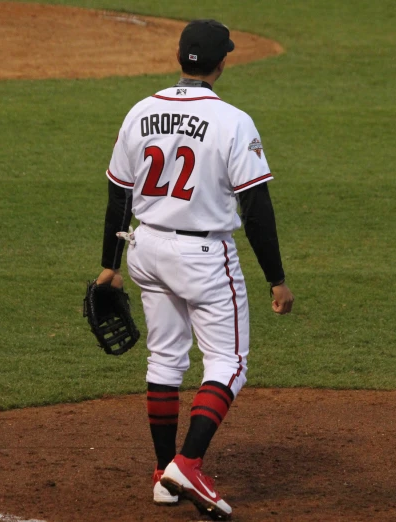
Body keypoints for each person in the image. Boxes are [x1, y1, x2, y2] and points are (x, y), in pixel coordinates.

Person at [94, 18, 294, 520]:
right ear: (222, 63)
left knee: (165, 362)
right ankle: (187, 463)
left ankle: (164, 476)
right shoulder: (232, 121)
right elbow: (256, 208)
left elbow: (119, 194)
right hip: (203, 258)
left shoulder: (140, 112)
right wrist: (276, 278)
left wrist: (108, 267)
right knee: (230, 363)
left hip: (144, 248)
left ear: (180, 58)